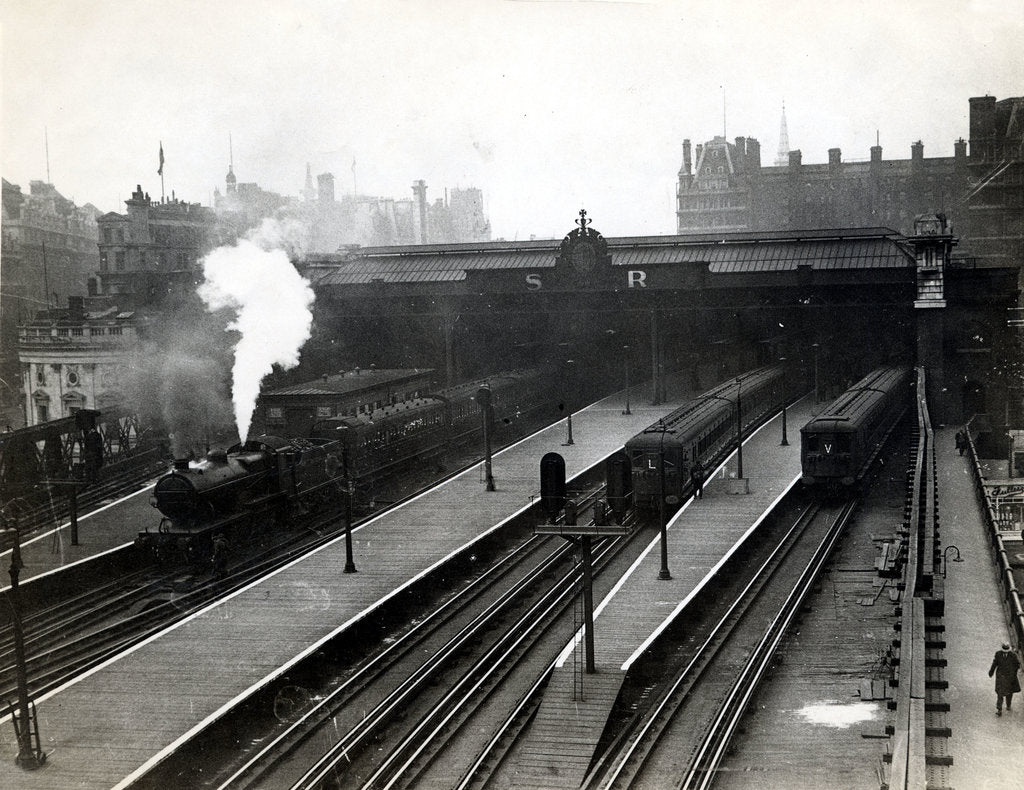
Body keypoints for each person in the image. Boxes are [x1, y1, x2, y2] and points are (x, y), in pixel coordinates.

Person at [988, 642, 1021, 715]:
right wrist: (991, 672)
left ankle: (1008, 705)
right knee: (1000, 693)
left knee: (1009, 693)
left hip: (1010, 677)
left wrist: (1013, 673)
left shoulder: (1013, 655)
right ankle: (999, 709)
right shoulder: (998, 654)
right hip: (1001, 676)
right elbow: (995, 663)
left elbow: (1017, 665)